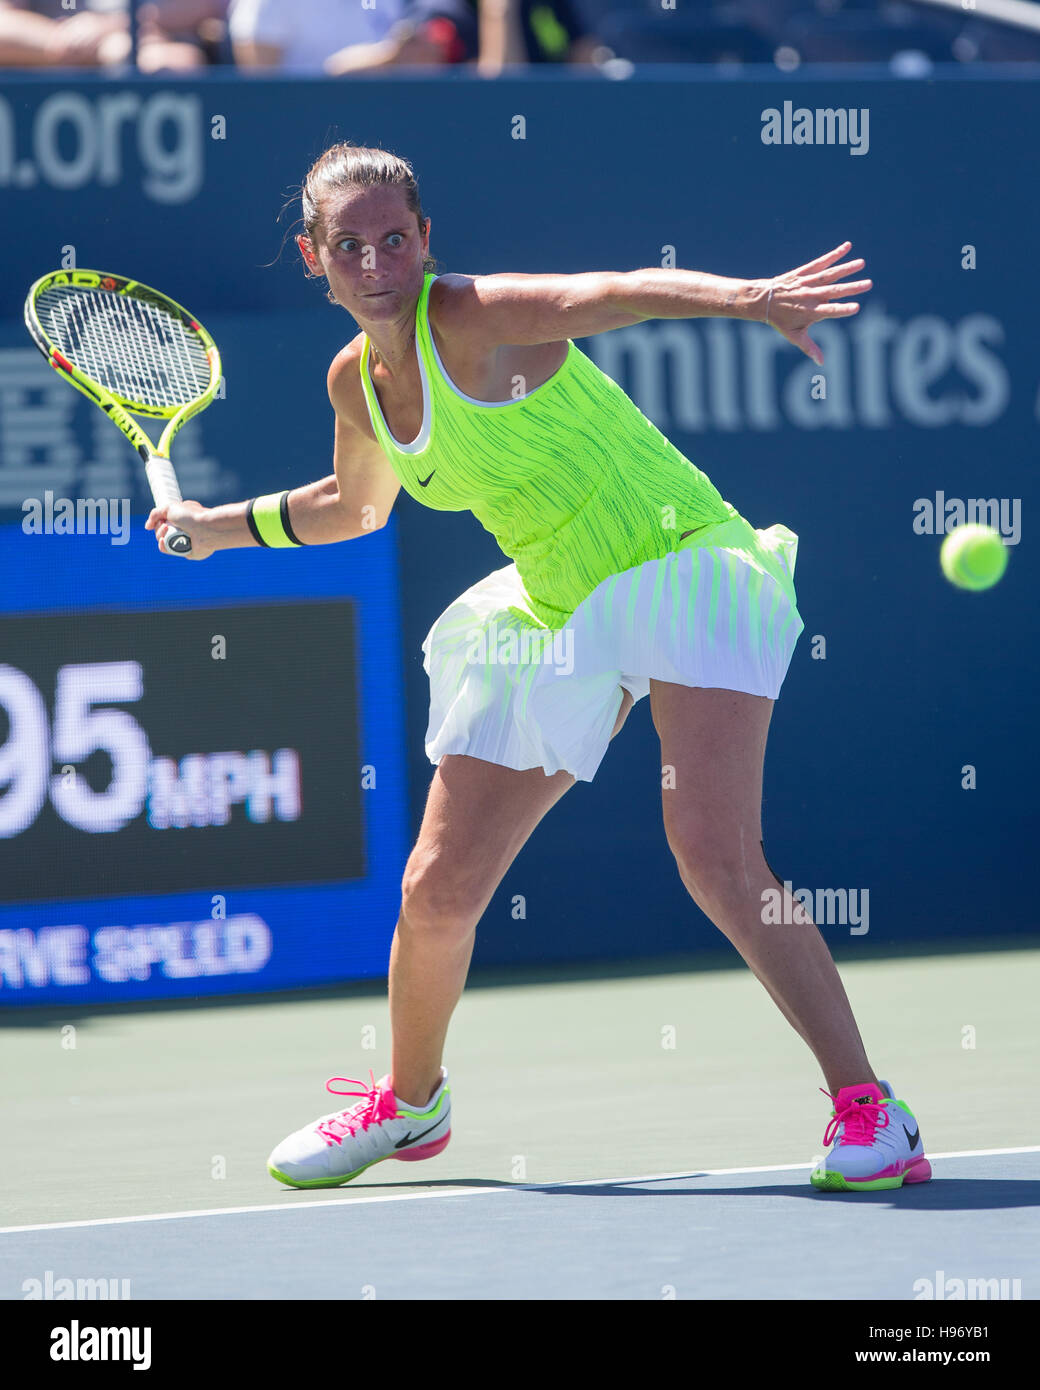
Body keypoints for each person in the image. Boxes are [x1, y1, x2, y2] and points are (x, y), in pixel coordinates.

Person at [146, 142, 932, 1195]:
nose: (374, 260)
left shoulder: (473, 316)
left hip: (678, 561)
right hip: (555, 603)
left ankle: (870, 1109)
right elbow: (355, 507)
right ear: (314, 258)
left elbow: (601, 292)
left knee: (710, 850)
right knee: (435, 887)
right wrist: (215, 527)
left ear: (424, 240)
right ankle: (411, 1105)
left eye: (393, 238)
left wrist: (749, 297)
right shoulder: (355, 381)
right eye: (349, 245)